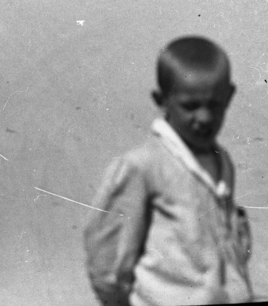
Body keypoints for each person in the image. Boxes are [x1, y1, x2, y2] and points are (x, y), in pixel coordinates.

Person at [83, 36, 252, 306]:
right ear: (162, 100)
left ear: (229, 96)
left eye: (215, 105)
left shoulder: (222, 161)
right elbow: (108, 260)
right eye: (190, 106)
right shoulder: (141, 166)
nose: (205, 117)